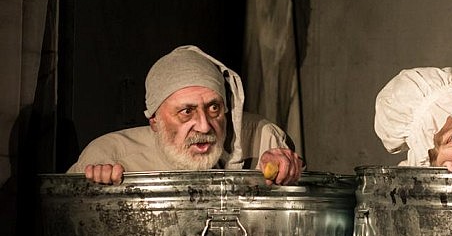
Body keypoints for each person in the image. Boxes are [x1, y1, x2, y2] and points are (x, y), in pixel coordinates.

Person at [67, 45, 303, 185]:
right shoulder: (110, 154)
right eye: (186, 112)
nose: (204, 126)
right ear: (155, 123)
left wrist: (288, 171)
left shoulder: (261, 139)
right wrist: (94, 188)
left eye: (213, 108)